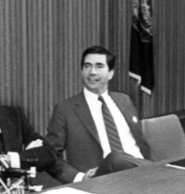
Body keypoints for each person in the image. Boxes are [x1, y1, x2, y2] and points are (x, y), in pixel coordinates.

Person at [45, 45, 152, 184]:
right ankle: (161, 173)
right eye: (87, 66)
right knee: (115, 158)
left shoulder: (124, 100)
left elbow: (141, 143)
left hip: (140, 174)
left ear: (111, 73)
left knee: (123, 159)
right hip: (102, 180)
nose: (92, 72)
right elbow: (49, 155)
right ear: (82, 71)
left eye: (99, 66)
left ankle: (155, 172)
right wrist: (79, 177)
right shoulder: (65, 109)